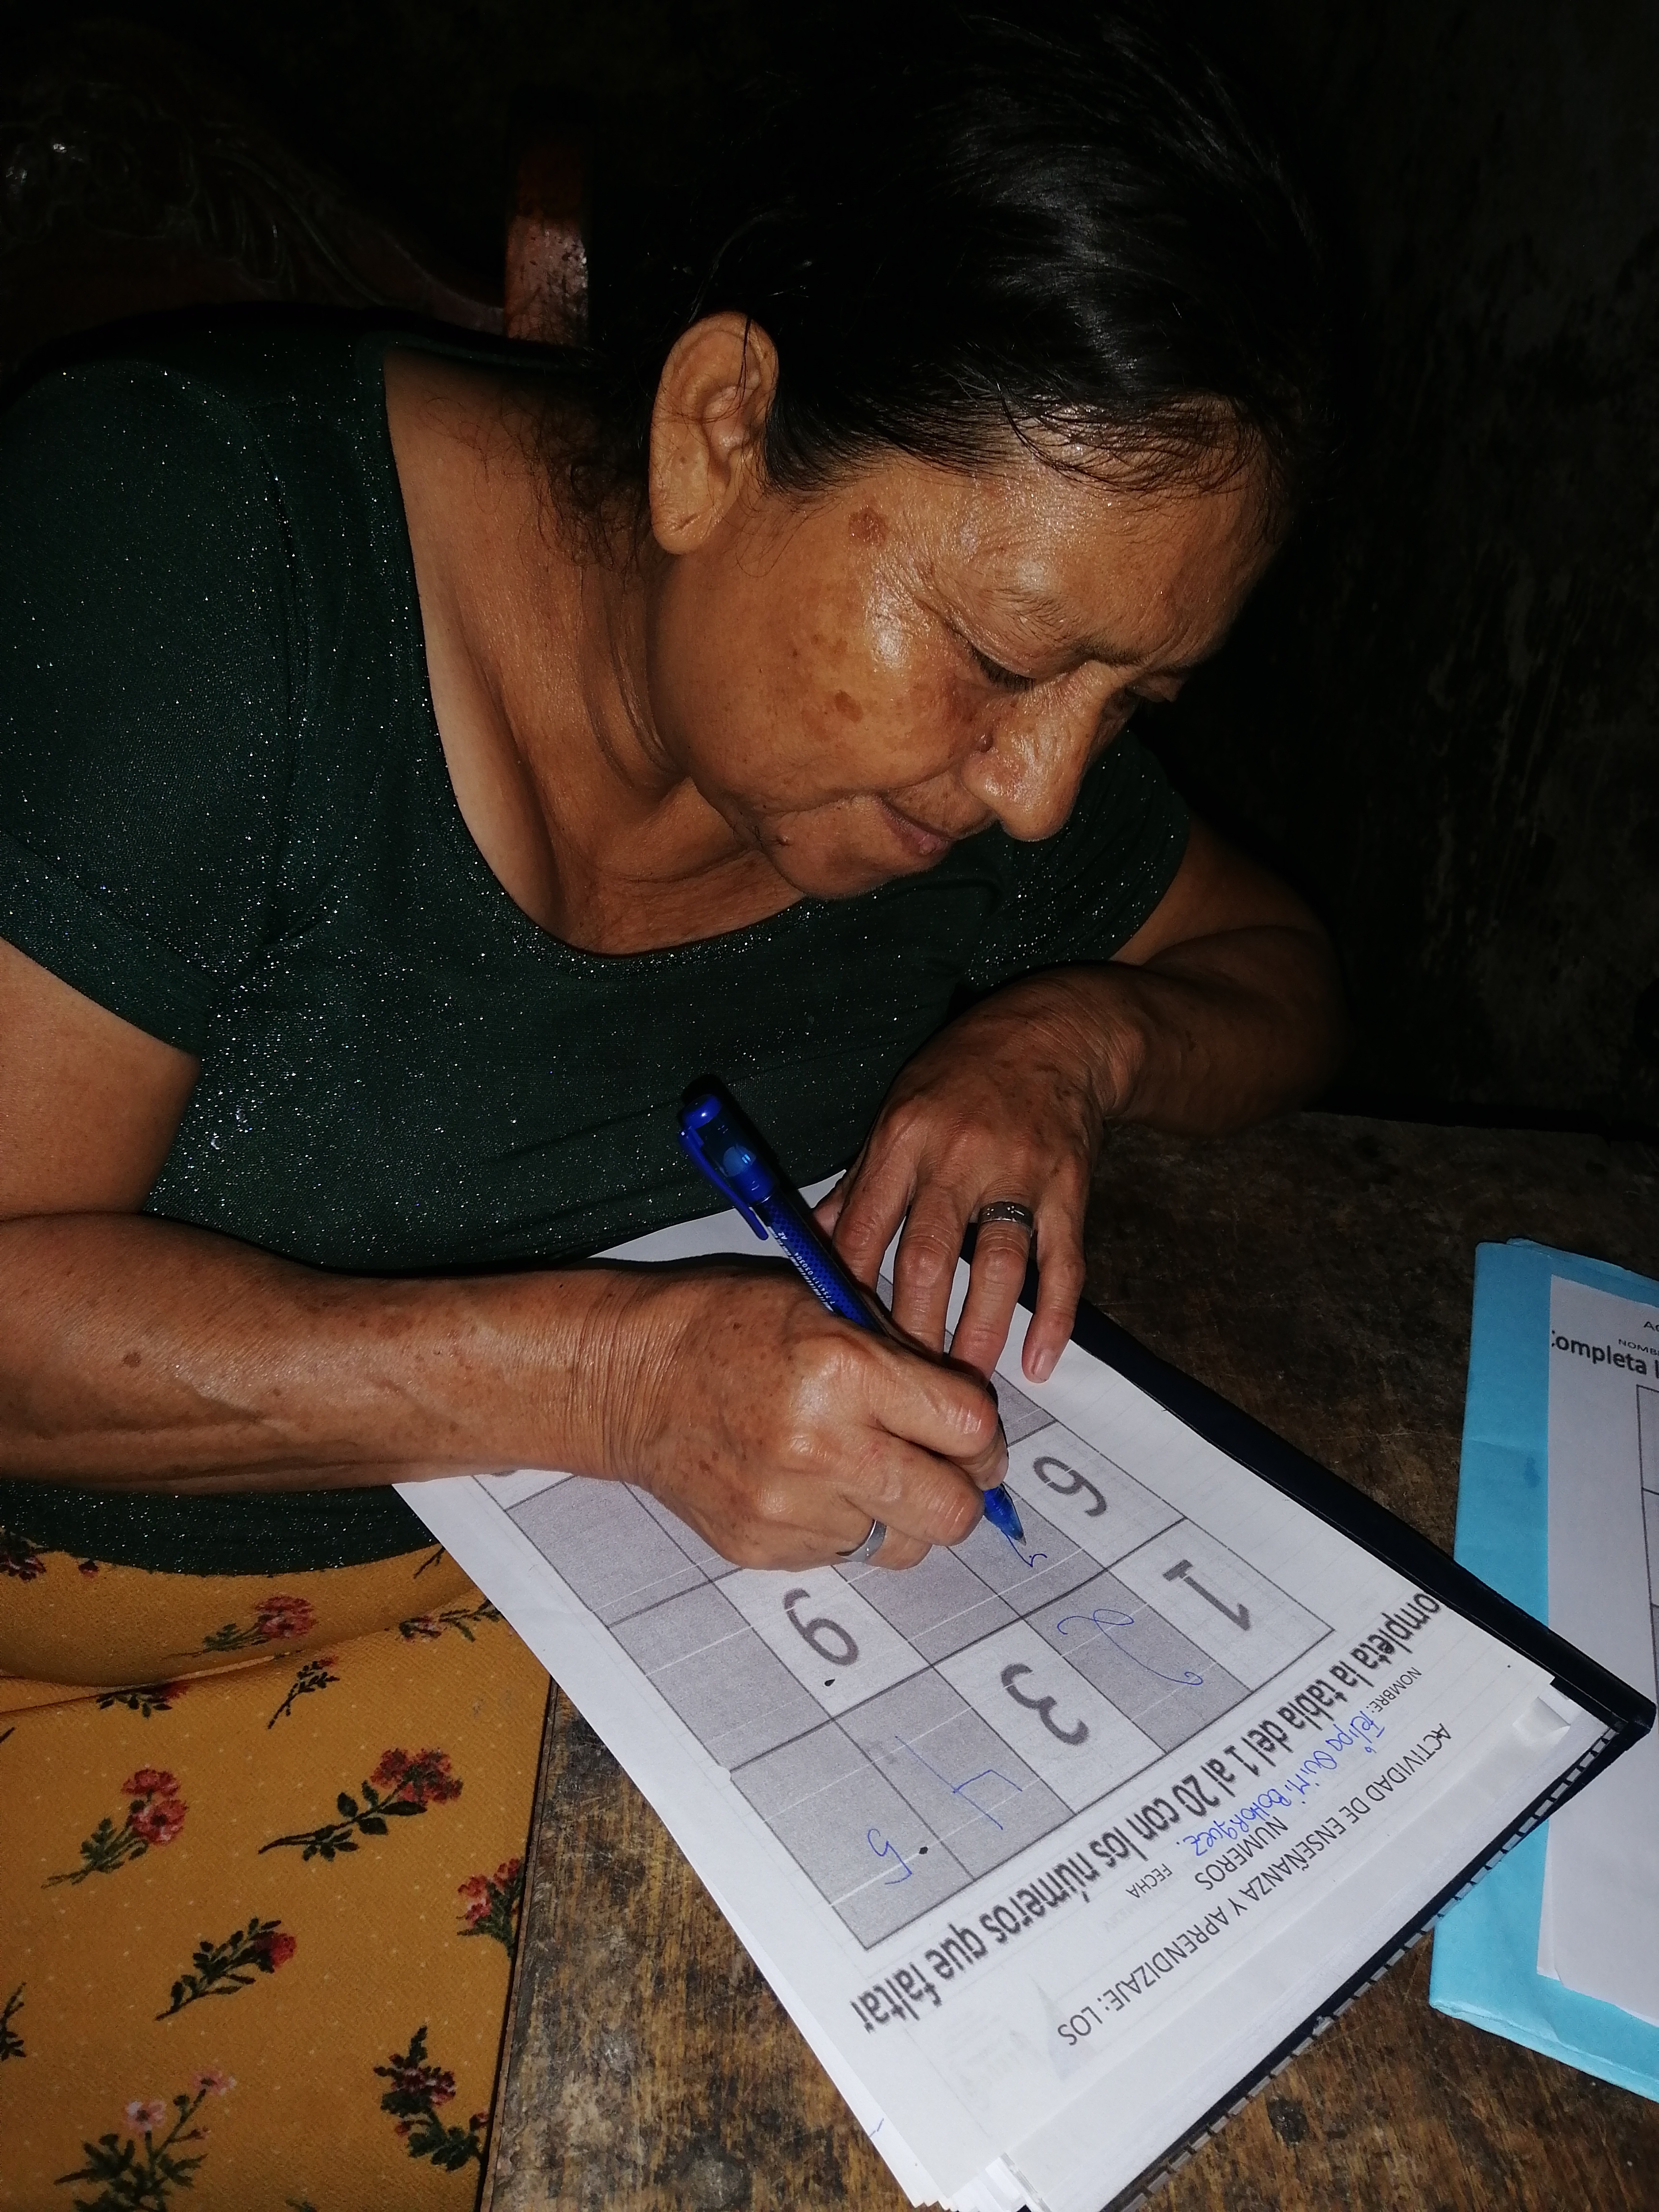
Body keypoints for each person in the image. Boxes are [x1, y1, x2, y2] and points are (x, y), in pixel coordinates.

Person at [0, 5, 1342, 2202]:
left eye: (1136, 698)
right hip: (116, 1655)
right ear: (722, 431)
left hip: (638, 1644)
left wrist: (1069, 1040)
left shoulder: (957, 770)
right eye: (1007, 662)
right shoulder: (193, 556)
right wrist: (609, 1383)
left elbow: (1280, 980)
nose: (1042, 793)